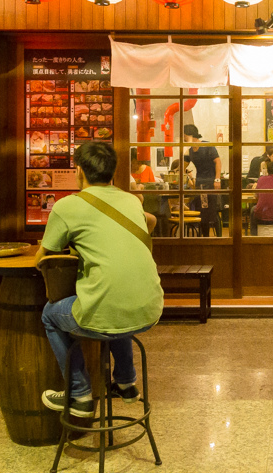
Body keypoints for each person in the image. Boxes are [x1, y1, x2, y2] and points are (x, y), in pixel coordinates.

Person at [35, 142, 163, 417]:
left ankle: (79, 394)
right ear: (113, 172)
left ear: (78, 171)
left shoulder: (67, 206)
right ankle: (127, 383)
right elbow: (150, 221)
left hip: (108, 310)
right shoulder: (131, 200)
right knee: (116, 302)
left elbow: (42, 258)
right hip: (150, 308)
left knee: (50, 314)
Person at [184, 124, 222, 237]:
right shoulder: (189, 151)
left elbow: (218, 162)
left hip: (211, 182)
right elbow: (181, 167)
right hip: (200, 184)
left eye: (185, 136)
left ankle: (219, 238)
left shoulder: (207, 145)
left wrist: (217, 179)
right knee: (203, 211)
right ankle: (205, 237)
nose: (184, 138)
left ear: (191, 135)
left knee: (213, 211)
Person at [250, 161, 273, 235]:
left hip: (261, 215)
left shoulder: (261, 179)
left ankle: (253, 238)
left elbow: (256, 196)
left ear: (268, 171)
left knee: (253, 210)